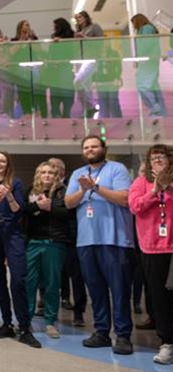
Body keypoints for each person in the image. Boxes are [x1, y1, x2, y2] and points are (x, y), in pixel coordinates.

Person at [65, 135, 134, 355]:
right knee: (95, 289)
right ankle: (102, 332)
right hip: (86, 240)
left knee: (120, 289)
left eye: (94, 146)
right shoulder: (78, 174)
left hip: (114, 239)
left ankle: (123, 336)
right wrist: (83, 190)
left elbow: (124, 198)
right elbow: (68, 202)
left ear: (103, 148)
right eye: (86, 147)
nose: (90, 149)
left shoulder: (117, 169)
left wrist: (95, 188)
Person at [0, 151, 41, 348]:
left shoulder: (16, 182)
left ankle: (24, 326)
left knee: (19, 278)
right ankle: (7, 323)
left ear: (7, 164)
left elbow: (18, 210)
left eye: (2, 161)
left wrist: (9, 196)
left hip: (11, 231)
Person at [129, 144, 173, 364]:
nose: (157, 160)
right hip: (152, 248)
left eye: (161, 156)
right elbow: (135, 206)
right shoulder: (141, 182)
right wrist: (155, 190)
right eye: (153, 157)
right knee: (159, 297)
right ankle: (167, 342)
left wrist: (168, 187)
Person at [24, 162, 69, 338]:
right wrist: (37, 206)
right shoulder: (30, 191)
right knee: (29, 282)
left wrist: (51, 207)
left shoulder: (62, 191)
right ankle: (25, 321)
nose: (47, 175)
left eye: (51, 172)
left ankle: (50, 322)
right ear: (38, 174)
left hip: (54, 242)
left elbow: (68, 213)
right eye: (43, 172)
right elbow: (24, 211)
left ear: (56, 175)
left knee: (52, 283)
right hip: (33, 242)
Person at [50, 157, 86, 327]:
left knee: (76, 277)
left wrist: (52, 207)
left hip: (72, 237)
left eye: (57, 168)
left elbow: (70, 209)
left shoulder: (71, 186)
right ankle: (53, 307)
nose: (54, 171)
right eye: (50, 167)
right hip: (54, 238)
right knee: (55, 276)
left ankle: (79, 312)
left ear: (63, 171)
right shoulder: (42, 187)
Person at [131, 13, 167, 116]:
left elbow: (145, 46)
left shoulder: (146, 28)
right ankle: (161, 111)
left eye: (134, 23)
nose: (133, 26)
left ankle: (155, 108)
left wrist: (138, 59)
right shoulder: (145, 29)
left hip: (148, 61)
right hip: (148, 61)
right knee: (153, 86)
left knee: (142, 86)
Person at [73, 11, 103, 117]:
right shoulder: (79, 30)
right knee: (85, 85)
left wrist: (85, 38)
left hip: (91, 58)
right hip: (80, 59)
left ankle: (90, 106)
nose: (78, 19)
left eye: (80, 16)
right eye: (76, 18)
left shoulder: (94, 27)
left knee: (78, 81)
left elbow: (101, 41)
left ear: (86, 17)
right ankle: (88, 109)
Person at [46, 18, 76, 118]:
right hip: (56, 69)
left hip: (64, 68)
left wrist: (61, 43)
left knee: (65, 94)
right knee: (55, 96)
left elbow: (71, 52)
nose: (53, 28)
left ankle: (64, 115)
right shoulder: (54, 37)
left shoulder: (71, 36)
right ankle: (58, 116)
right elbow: (51, 53)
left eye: (55, 26)